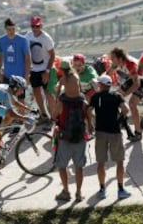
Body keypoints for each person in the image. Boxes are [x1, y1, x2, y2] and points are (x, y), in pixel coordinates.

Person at [52, 60, 91, 203]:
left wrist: (57, 99)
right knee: (79, 167)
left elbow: (53, 116)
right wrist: (90, 126)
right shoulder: (82, 100)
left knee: (62, 166)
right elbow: (89, 113)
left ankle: (66, 191)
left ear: (61, 70)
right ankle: (79, 193)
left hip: (65, 137)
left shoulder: (62, 100)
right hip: (80, 136)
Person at [87, 74, 131, 200]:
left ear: (101, 85)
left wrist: (90, 123)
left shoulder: (95, 97)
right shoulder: (117, 96)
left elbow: (89, 110)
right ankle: (121, 189)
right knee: (119, 162)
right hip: (115, 132)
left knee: (101, 163)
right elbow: (126, 109)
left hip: (100, 132)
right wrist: (120, 120)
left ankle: (102, 189)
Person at [0, 75, 35, 175]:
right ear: (15, 88)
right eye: (21, 90)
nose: (22, 92)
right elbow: (12, 112)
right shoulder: (5, 93)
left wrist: (29, 110)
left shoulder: (7, 89)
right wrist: (26, 118)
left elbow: (15, 102)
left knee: (8, 116)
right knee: (8, 118)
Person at [25, 16, 55, 124]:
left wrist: (47, 71)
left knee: (48, 93)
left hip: (44, 69)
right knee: (36, 92)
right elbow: (26, 54)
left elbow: (52, 55)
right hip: (34, 69)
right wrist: (27, 71)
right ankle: (43, 115)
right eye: (33, 26)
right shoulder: (28, 36)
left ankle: (54, 117)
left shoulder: (46, 38)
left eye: (37, 26)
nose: (35, 28)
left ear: (41, 26)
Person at [109, 47, 140, 141]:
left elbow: (137, 84)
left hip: (142, 81)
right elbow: (108, 74)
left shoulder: (130, 64)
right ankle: (124, 123)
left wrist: (124, 95)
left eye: (112, 58)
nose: (111, 60)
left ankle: (138, 132)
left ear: (120, 59)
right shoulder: (116, 63)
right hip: (130, 80)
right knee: (115, 98)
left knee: (132, 104)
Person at [0, 18, 31, 101]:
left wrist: (27, 75)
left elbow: (27, 58)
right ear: (5, 29)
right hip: (7, 75)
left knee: (21, 100)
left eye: (13, 29)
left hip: (20, 76)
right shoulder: (1, 41)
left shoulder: (22, 40)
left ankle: (22, 114)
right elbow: (0, 57)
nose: (11, 31)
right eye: (9, 29)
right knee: (7, 100)